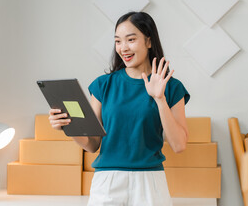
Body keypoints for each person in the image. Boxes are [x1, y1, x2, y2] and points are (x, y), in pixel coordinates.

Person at [48, 11, 190, 206]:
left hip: (149, 182)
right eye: (118, 41)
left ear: (149, 41)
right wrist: (68, 127)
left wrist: (160, 99)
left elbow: (179, 145)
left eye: (131, 40)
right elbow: (92, 144)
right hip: (107, 182)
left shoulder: (171, 87)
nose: (123, 48)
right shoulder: (103, 85)